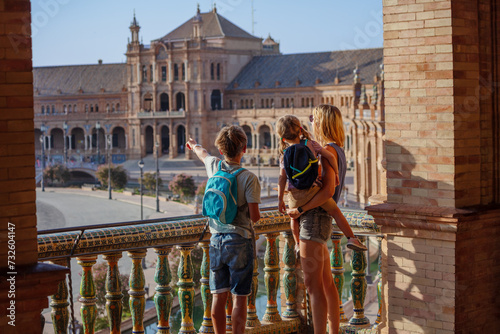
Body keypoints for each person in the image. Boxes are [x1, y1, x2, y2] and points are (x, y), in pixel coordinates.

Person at [287, 105, 364, 334]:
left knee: (313, 287)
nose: (311, 122)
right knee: (327, 283)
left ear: (321, 122)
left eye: (314, 119)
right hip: (322, 221)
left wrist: (300, 208)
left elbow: (329, 190)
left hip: (314, 219)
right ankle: (333, 331)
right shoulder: (336, 149)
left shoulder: (327, 150)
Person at [186, 125, 261, 334]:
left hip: (216, 240)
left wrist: (193, 145)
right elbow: (255, 216)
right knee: (240, 297)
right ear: (244, 149)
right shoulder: (249, 178)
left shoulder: (214, 166)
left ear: (221, 150)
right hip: (240, 241)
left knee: (218, 296)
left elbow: (203, 154)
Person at [276, 115, 366, 259]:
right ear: (300, 130)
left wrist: (280, 199)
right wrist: (336, 173)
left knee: (293, 218)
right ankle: (351, 238)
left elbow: (282, 178)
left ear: (282, 138)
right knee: (336, 212)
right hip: (313, 191)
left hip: (294, 194)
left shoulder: (283, 154)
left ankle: (298, 244)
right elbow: (330, 157)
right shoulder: (311, 145)